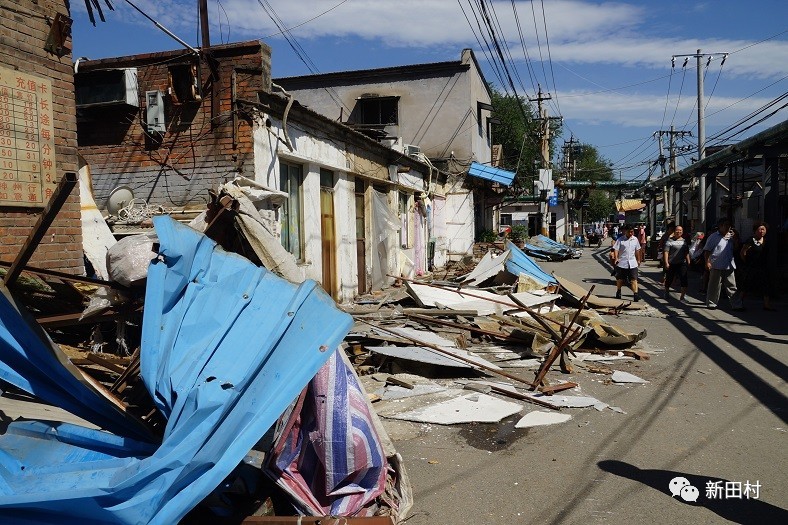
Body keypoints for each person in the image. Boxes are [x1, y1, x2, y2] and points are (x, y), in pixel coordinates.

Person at [703, 218, 744, 311]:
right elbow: (707, 251)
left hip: (729, 265)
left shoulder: (731, 237)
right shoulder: (713, 237)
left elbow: (736, 248)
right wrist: (707, 262)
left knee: (732, 286)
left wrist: (736, 238)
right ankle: (711, 303)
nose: (728, 227)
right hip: (716, 265)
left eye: (729, 226)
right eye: (725, 225)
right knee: (714, 285)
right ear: (720, 226)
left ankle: (737, 305)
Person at [740, 222, 774, 310]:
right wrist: (747, 261)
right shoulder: (750, 240)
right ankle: (738, 302)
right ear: (755, 231)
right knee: (746, 285)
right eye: (760, 229)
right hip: (752, 266)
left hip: (763, 266)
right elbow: (743, 253)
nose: (762, 231)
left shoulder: (766, 241)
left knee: (766, 285)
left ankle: (766, 305)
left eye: (763, 229)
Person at [612, 224, 643, 302]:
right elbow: (616, 249)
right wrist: (616, 258)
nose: (631, 233)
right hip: (622, 263)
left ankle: (635, 295)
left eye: (632, 232)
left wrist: (638, 260)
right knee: (620, 279)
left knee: (634, 279)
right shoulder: (620, 240)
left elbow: (637, 250)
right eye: (629, 232)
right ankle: (618, 291)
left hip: (633, 263)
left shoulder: (635, 239)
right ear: (625, 231)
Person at [663, 224, 691, 302]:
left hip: (682, 263)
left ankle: (682, 296)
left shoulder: (684, 241)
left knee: (684, 280)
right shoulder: (670, 240)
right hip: (672, 263)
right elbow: (666, 252)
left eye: (680, 230)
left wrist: (688, 261)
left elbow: (686, 252)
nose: (678, 232)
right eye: (677, 230)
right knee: (669, 279)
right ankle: (666, 291)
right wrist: (666, 262)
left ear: (682, 232)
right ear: (674, 231)